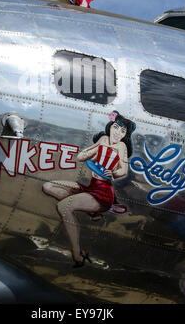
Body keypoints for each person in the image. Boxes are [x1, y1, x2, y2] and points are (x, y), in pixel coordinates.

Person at [42, 111, 136, 267]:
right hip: (91, 186)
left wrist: (112, 173)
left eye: (123, 131)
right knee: (47, 186)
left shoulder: (122, 147)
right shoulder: (103, 139)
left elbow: (123, 170)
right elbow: (81, 157)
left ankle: (77, 253)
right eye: (116, 127)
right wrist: (97, 149)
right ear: (110, 127)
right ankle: (91, 211)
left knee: (63, 206)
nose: (118, 133)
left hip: (103, 193)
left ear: (125, 134)